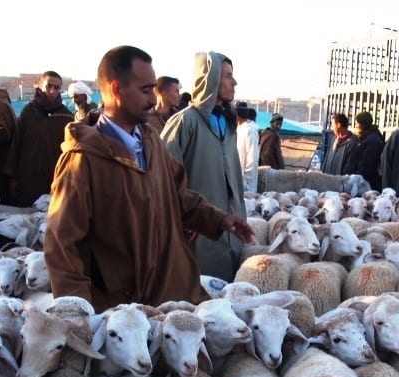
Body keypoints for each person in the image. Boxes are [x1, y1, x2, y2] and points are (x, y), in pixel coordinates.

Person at [43, 45, 253, 311]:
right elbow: (62, 245)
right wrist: (76, 312)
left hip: (174, 298)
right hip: (123, 315)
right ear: (117, 90)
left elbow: (178, 195)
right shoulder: (83, 161)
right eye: (145, 91)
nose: (154, 100)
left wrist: (219, 219)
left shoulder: (151, 141)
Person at [161, 51, 248, 283]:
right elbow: (164, 180)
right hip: (198, 235)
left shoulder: (229, 125)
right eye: (228, 76)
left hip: (232, 231)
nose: (234, 82)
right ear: (211, 79)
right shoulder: (184, 122)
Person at [5, 70, 73, 207]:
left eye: (56, 87)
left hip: (54, 179)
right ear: (41, 86)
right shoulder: (28, 112)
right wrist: (12, 177)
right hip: (28, 177)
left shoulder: (66, 117)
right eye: (48, 86)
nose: (52, 91)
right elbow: (16, 144)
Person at [347, 111, 384, 191]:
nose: (356, 126)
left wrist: (358, 180)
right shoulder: (365, 138)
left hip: (366, 184)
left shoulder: (372, 140)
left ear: (363, 124)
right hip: (361, 182)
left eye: (357, 123)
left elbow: (367, 164)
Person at [235, 101, 259, 194]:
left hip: (247, 186)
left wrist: (246, 182)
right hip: (238, 181)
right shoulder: (238, 130)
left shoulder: (250, 130)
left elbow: (253, 159)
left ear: (236, 116)